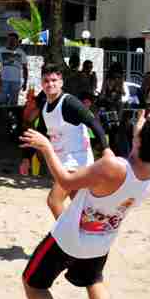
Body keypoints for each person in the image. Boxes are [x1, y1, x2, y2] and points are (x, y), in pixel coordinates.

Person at [20, 110, 150, 299]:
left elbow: (66, 180)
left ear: (139, 140)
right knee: (93, 280)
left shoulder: (112, 167)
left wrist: (47, 148)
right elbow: (122, 178)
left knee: (33, 283)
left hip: (69, 239)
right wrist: (110, 158)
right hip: (102, 241)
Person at [25, 63, 110, 219]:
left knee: (53, 201)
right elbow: (39, 134)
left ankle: (67, 236)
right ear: (41, 83)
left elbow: (93, 123)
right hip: (62, 163)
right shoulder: (45, 107)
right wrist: (27, 158)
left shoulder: (69, 102)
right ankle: (89, 233)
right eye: (46, 81)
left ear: (61, 82)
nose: (50, 84)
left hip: (77, 161)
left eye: (54, 80)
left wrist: (106, 149)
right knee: (82, 207)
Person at [0, 32, 28, 106]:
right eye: (9, 40)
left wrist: (25, 82)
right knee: (1, 102)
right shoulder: (1, 50)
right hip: (3, 80)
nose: (11, 41)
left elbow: (25, 68)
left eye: (13, 40)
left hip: (16, 81)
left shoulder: (21, 52)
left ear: (17, 41)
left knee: (13, 102)